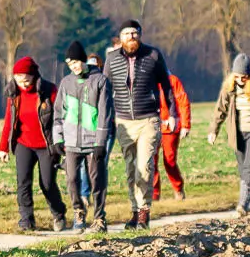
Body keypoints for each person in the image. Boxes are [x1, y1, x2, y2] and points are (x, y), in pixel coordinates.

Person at [105, 20, 175, 229]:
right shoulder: (111, 60)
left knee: (144, 167)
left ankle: (144, 211)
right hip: (124, 121)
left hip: (148, 119)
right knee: (130, 169)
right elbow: (105, 90)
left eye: (134, 33)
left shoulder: (153, 55)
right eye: (126, 34)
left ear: (140, 35)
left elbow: (166, 85)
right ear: (121, 38)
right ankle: (134, 210)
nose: (131, 37)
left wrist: (171, 113)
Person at [0, 56, 67, 234]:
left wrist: (63, 144)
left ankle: (58, 214)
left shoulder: (48, 90)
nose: (22, 80)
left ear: (34, 75)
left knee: (47, 183)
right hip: (24, 144)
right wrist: (3, 147)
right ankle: (27, 220)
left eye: (26, 76)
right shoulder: (13, 93)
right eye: (19, 76)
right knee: (23, 183)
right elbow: (9, 121)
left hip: (47, 144)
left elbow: (60, 117)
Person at [57, 39, 113, 233]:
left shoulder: (100, 81)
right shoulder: (66, 83)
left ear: (83, 60)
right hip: (72, 142)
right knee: (72, 179)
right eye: (70, 64)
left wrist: (101, 143)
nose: (74, 67)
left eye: (76, 62)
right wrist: (58, 138)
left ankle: (99, 218)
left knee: (97, 180)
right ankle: (78, 212)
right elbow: (58, 113)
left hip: (92, 142)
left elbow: (105, 114)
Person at [209, 53, 250, 214]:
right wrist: (213, 131)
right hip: (238, 135)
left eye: (244, 77)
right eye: (237, 76)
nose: (240, 80)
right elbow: (220, 110)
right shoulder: (228, 89)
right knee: (243, 169)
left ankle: (242, 204)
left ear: (249, 75)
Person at [154, 69, 192, 202]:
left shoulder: (173, 80)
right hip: (152, 126)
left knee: (169, 160)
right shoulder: (147, 80)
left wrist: (185, 124)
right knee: (150, 161)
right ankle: (154, 195)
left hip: (171, 126)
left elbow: (183, 102)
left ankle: (178, 189)